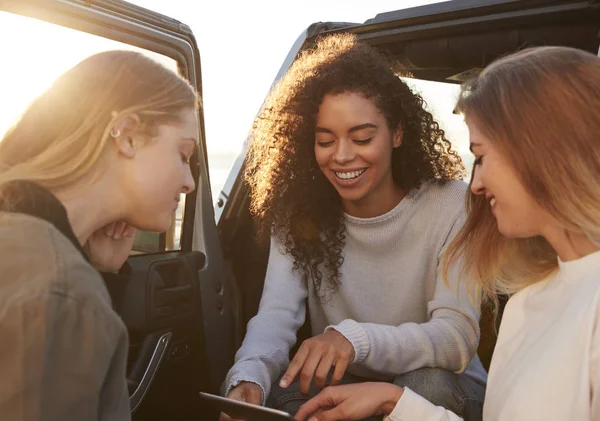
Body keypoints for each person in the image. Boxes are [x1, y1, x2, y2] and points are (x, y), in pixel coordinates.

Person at [294, 45, 600, 421]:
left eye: (482, 156)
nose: (476, 184)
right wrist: (396, 403)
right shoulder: (527, 302)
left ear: (542, 156)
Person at [222, 33, 487, 421]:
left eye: (362, 137)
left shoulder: (451, 205)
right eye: (325, 140)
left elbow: (455, 339)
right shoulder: (298, 213)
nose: (342, 156)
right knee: (279, 394)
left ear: (397, 132)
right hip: (346, 389)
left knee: (422, 384)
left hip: (444, 391)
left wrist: (354, 340)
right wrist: (248, 379)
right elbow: (276, 316)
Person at [0, 50, 198, 420]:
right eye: (183, 154)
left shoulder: (28, 246)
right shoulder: (60, 287)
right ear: (127, 136)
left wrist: (99, 270)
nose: (188, 182)